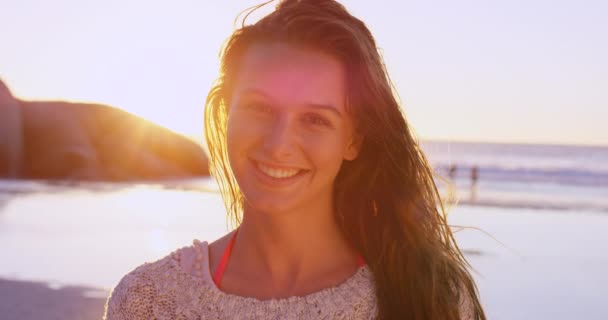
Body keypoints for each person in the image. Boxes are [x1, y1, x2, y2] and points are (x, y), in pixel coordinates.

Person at [104, 0, 485, 319]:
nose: (280, 144)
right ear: (226, 115)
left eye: (315, 119)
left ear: (353, 140)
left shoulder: (431, 301)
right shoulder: (148, 302)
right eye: (261, 109)